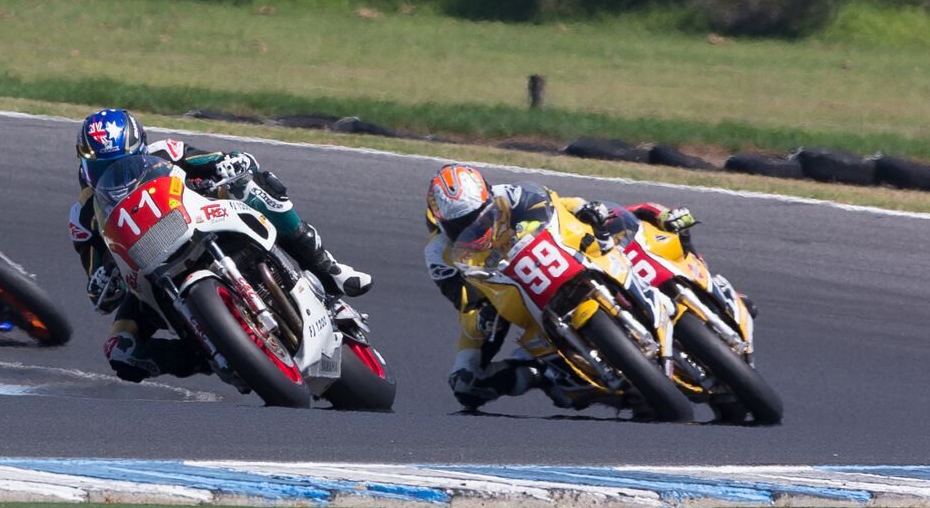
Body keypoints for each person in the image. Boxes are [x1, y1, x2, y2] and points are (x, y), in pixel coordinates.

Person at [68, 108, 373, 383]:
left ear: (141, 148)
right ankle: (212, 355)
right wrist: (102, 281)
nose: (117, 177)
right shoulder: (82, 216)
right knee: (121, 351)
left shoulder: (166, 152)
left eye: (124, 164)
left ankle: (328, 268)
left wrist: (229, 163)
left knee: (255, 185)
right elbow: (96, 282)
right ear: (84, 164)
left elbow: (215, 159)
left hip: (201, 219)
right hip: (147, 270)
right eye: (102, 169)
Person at [422, 162, 697, 411]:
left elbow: (556, 204)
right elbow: (462, 297)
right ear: (441, 223)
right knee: (465, 384)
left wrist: (583, 210)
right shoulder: (438, 253)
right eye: (460, 225)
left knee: (610, 215)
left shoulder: (511, 195)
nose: (473, 226)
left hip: (552, 258)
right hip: (499, 291)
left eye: (479, 216)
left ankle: (664, 239)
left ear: (488, 198)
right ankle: (545, 374)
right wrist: (481, 310)